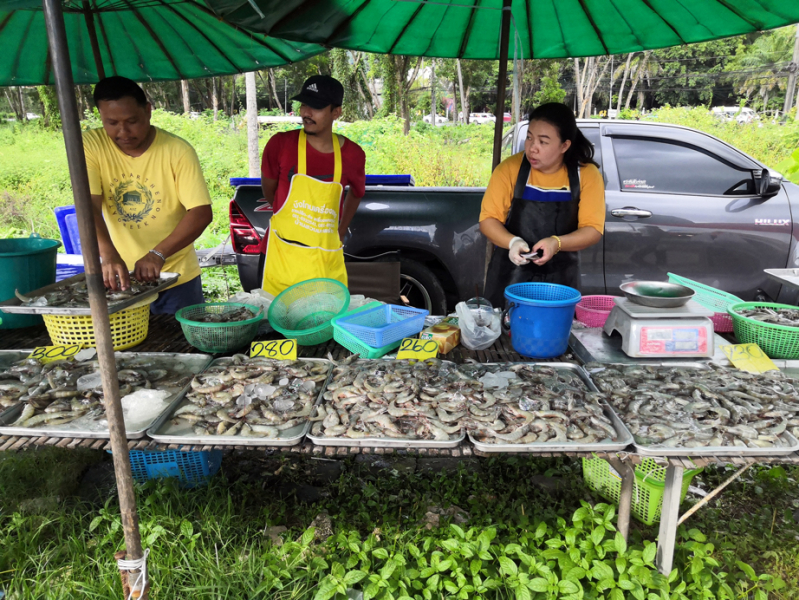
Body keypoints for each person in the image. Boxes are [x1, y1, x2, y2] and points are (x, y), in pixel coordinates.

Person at [84, 76, 213, 315]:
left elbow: (201, 212)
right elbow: (87, 205)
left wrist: (157, 254)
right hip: (120, 278)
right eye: (111, 122)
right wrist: (109, 255)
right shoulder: (91, 144)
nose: (123, 132)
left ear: (148, 110)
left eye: (132, 121)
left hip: (176, 277)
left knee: (182, 346)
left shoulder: (177, 151)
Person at [480, 103, 605, 307]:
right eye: (529, 137)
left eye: (543, 142)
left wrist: (556, 243)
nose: (532, 148)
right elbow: (488, 219)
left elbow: (592, 230)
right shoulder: (510, 169)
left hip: (560, 281)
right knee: (505, 332)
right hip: (510, 275)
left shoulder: (586, 175)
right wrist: (512, 243)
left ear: (565, 145)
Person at [259, 75, 366, 296]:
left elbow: (356, 193)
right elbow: (270, 191)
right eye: (304, 104)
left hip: (325, 261)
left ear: (336, 112)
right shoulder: (279, 145)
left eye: (315, 107)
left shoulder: (353, 155)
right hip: (280, 257)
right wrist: (286, 213)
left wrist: (342, 228)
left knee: (323, 325)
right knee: (275, 326)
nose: (306, 113)